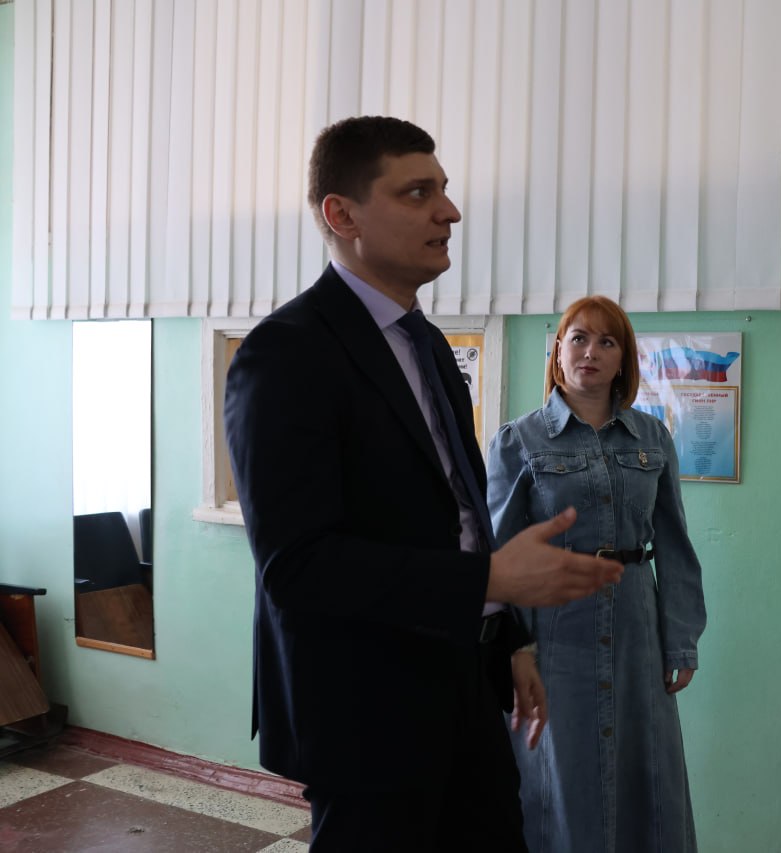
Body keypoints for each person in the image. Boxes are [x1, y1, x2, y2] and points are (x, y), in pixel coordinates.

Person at [223, 115, 623, 851]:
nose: (450, 211)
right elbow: (298, 565)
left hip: (465, 685)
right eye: (418, 192)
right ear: (342, 215)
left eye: (443, 189)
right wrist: (490, 579)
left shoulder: (428, 345)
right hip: (366, 710)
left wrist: (508, 639)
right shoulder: (286, 354)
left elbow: (459, 514)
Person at [487, 295, 706, 852]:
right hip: (555, 638)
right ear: (558, 351)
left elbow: (675, 545)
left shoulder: (652, 438)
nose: (591, 352)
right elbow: (498, 558)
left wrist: (681, 640)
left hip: (636, 632)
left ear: (623, 359)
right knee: (561, 782)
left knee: (645, 775)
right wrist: (514, 649)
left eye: (607, 342)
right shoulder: (519, 440)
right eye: (579, 338)